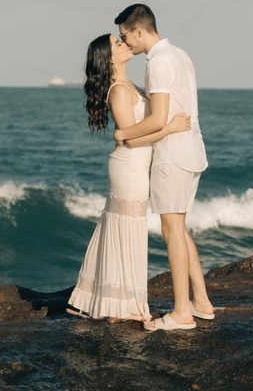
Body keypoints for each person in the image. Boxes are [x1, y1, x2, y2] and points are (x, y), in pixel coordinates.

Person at [67, 33, 191, 323]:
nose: (123, 43)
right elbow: (132, 140)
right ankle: (125, 307)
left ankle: (119, 305)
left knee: (125, 230)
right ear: (109, 58)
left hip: (135, 166)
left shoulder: (127, 85)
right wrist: (170, 128)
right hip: (129, 166)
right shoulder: (119, 91)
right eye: (116, 43)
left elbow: (131, 133)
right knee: (127, 230)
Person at [113, 3, 214, 331]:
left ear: (139, 30)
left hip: (172, 156)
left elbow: (158, 117)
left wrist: (124, 133)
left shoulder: (158, 63)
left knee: (172, 231)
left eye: (126, 36)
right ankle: (201, 301)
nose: (126, 43)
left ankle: (182, 312)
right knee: (180, 228)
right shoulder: (180, 54)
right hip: (193, 152)